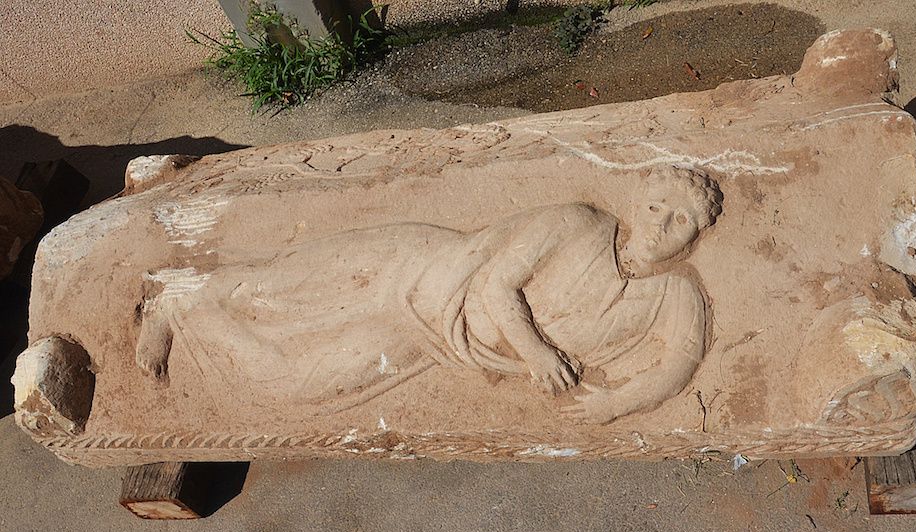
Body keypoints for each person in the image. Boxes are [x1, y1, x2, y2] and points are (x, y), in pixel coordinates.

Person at [136, 166, 722, 424]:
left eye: (681, 221)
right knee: (277, 283)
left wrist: (613, 405)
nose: (661, 224)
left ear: (696, 237)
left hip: (433, 343)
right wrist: (539, 353)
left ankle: (189, 312)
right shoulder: (579, 223)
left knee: (295, 379)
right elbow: (496, 284)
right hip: (427, 269)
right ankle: (175, 293)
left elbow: (678, 366)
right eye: (654, 206)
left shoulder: (676, 295)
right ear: (635, 202)